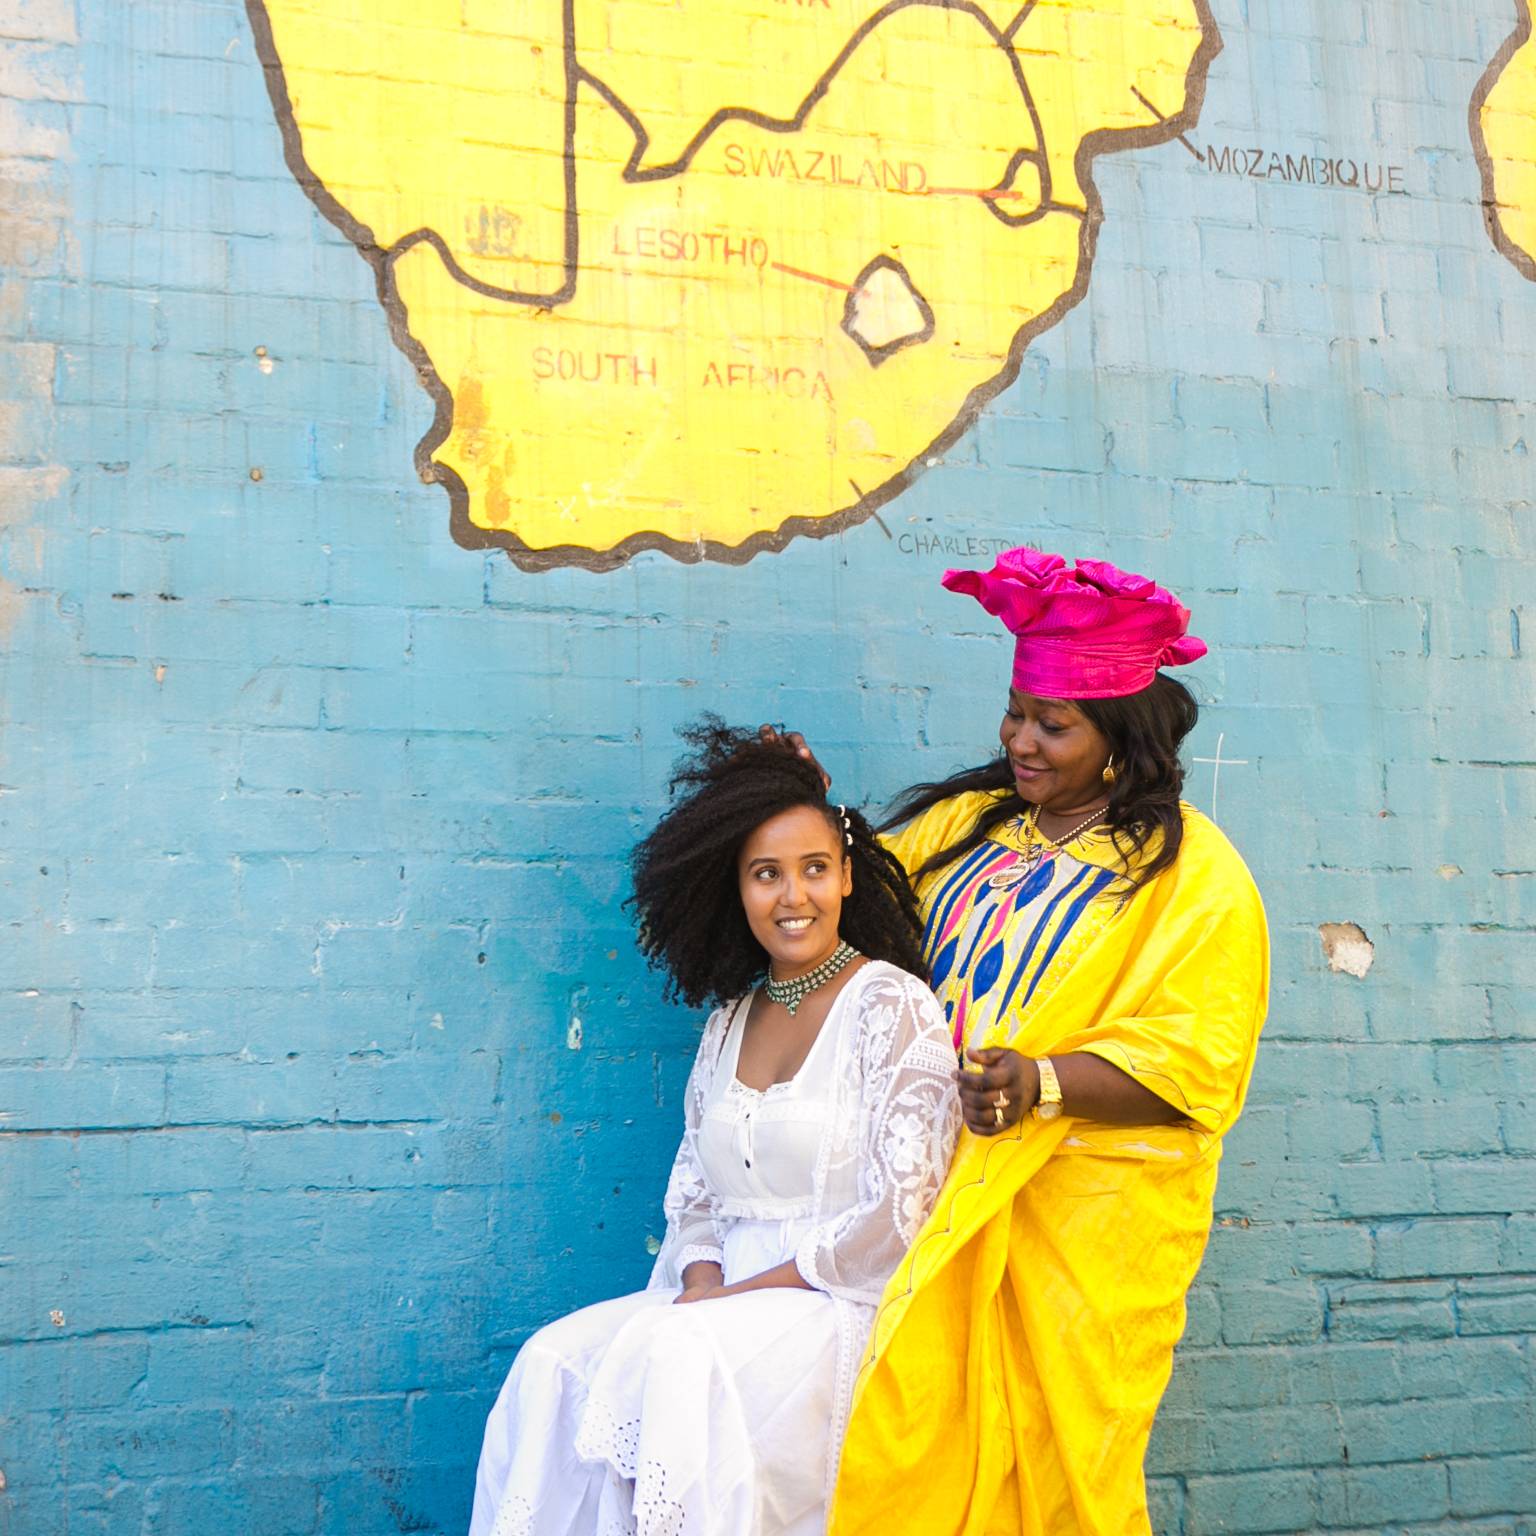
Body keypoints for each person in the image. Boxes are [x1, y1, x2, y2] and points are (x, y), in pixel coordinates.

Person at [782, 548, 1269, 1536]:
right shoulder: (966, 826)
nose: (1022, 740)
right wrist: (804, 809)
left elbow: (1196, 1064)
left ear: (1122, 742)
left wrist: (1040, 1082)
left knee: (1053, 1486)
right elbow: (861, 922)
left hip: (1074, 1229)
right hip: (930, 1193)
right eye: (1016, 712)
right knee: (915, 1452)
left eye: (1054, 724)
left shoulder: (1194, 877)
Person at [468, 722, 960, 1536]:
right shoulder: (732, 1017)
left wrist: (729, 1302)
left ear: (846, 878)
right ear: (735, 890)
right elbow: (695, 1192)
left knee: (680, 1360)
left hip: (836, 1306)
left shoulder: (891, 1005)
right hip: (711, 1304)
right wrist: (699, 1286)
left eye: (813, 870)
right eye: (766, 875)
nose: (792, 896)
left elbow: (897, 1221)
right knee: (553, 1360)